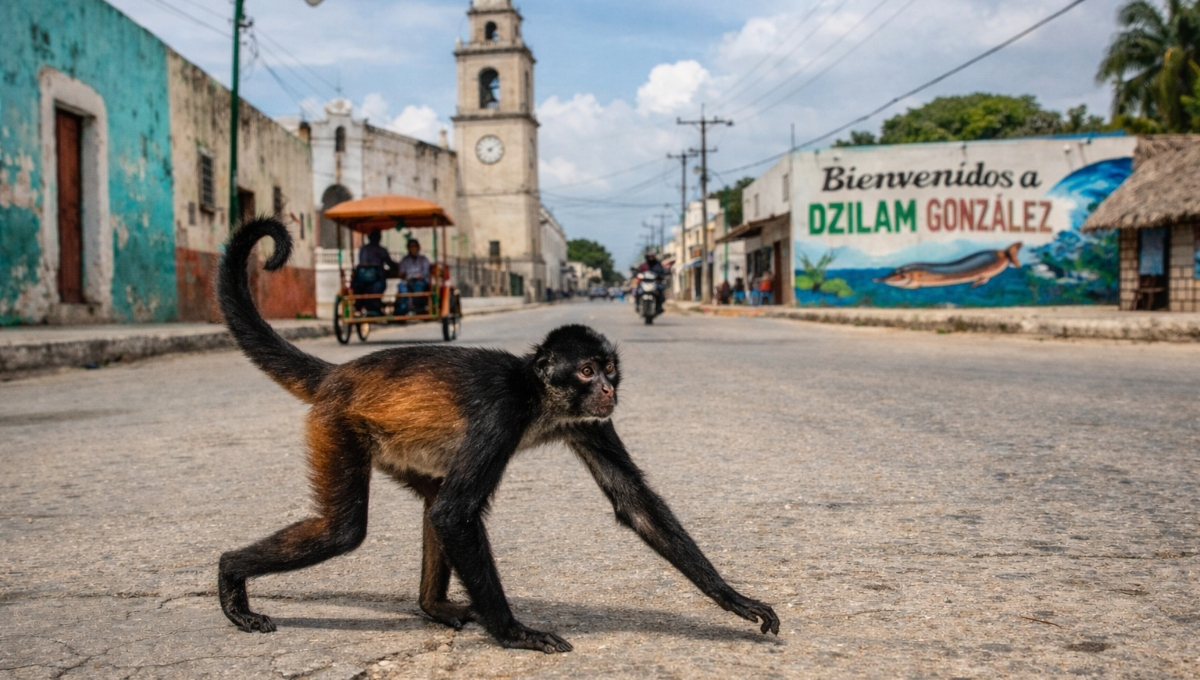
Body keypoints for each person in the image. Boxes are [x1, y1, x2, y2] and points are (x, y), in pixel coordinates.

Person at [354, 231, 397, 314]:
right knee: (371, 287)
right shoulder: (367, 249)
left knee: (377, 288)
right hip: (367, 278)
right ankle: (363, 305)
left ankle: (373, 307)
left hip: (374, 278)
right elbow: (390, 263)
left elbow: (389, 263)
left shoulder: (367, 249)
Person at [397, 238, 432, 314]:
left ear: (418, 247)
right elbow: (401, 273)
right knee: (401, 287)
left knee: (418, 287)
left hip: (420, 281)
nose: (412, 248)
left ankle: (419, 309)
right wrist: (404, 275)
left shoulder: (423, 259)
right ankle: (402, 311)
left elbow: (425, 273)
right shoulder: (405, 260)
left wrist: (417, 276)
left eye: (414, 246)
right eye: (410, 246)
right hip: (408, 281)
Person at [636, 248, 667, 314]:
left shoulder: (658, 265)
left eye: (652, 256)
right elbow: (639, 272)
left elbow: (662, 272)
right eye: (649, 256)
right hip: (645, 283)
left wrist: (661, 278)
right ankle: (638, 305)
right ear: (647, 257)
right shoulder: (643, 265)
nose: (651, 258)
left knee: (660, 289)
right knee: (638, 291)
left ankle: (659, 306)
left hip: (655, 283)